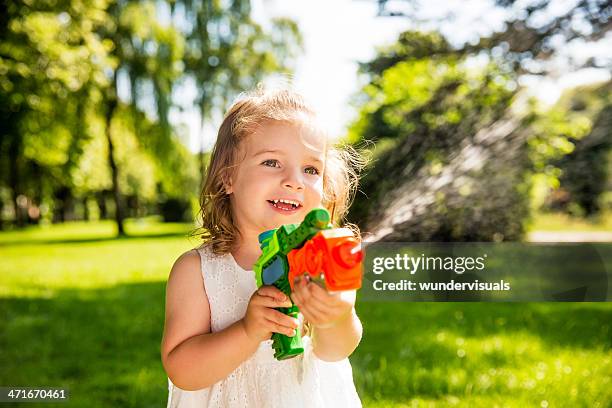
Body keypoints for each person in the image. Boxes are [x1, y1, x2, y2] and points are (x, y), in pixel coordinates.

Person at [161, 84, 365, 407]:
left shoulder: (321, 262)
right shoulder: (197, 271)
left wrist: (336, 316)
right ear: (228, 177)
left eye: (311, 169)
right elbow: (180, 367)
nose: (294, 180)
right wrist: (246, 332)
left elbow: (336, 350)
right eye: (272, 162)